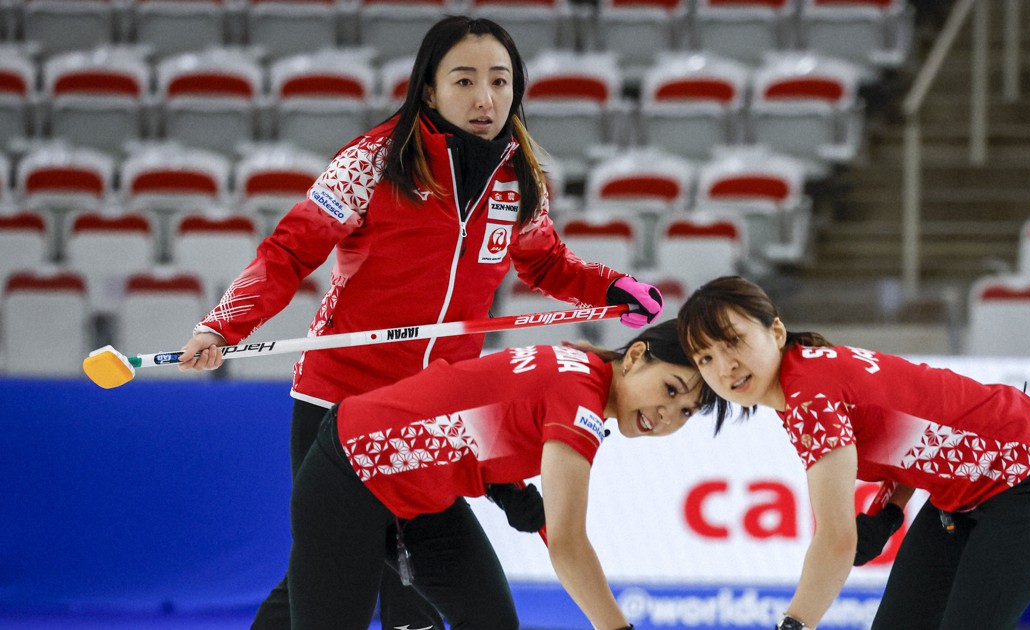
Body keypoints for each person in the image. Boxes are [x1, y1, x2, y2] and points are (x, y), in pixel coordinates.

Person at [173, 15, 664, 630]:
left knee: (354, 574)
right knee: (348, 572)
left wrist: (612, 288)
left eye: (500, 80)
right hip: (338, 401)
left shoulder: (518, 177)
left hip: (437, 415)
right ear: (428, 90)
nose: (486, 98)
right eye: (464, 80)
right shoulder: (373, 162)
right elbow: (290, 250)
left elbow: (545, 262)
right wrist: (223, 327)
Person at [675, 276, 1030, 630]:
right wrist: (886, 512)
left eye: (734, 342)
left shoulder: (810, 398)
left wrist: (793, 625)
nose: (725, 367)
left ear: (776, 332)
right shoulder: (807, 376)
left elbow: (836, 540)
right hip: (965, 493)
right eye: (706, 358)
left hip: (1029, 480)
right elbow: (914, 432)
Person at [283, 319, 729, 629]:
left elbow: (476, 413)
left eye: (685, 411)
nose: (667, 414)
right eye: (670, 389)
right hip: (350, 475)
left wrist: (512, 494)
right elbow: (569, 545)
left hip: (411, 496)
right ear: (635, 356)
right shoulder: (580, 401)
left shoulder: (579, 371)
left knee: (489, 621)